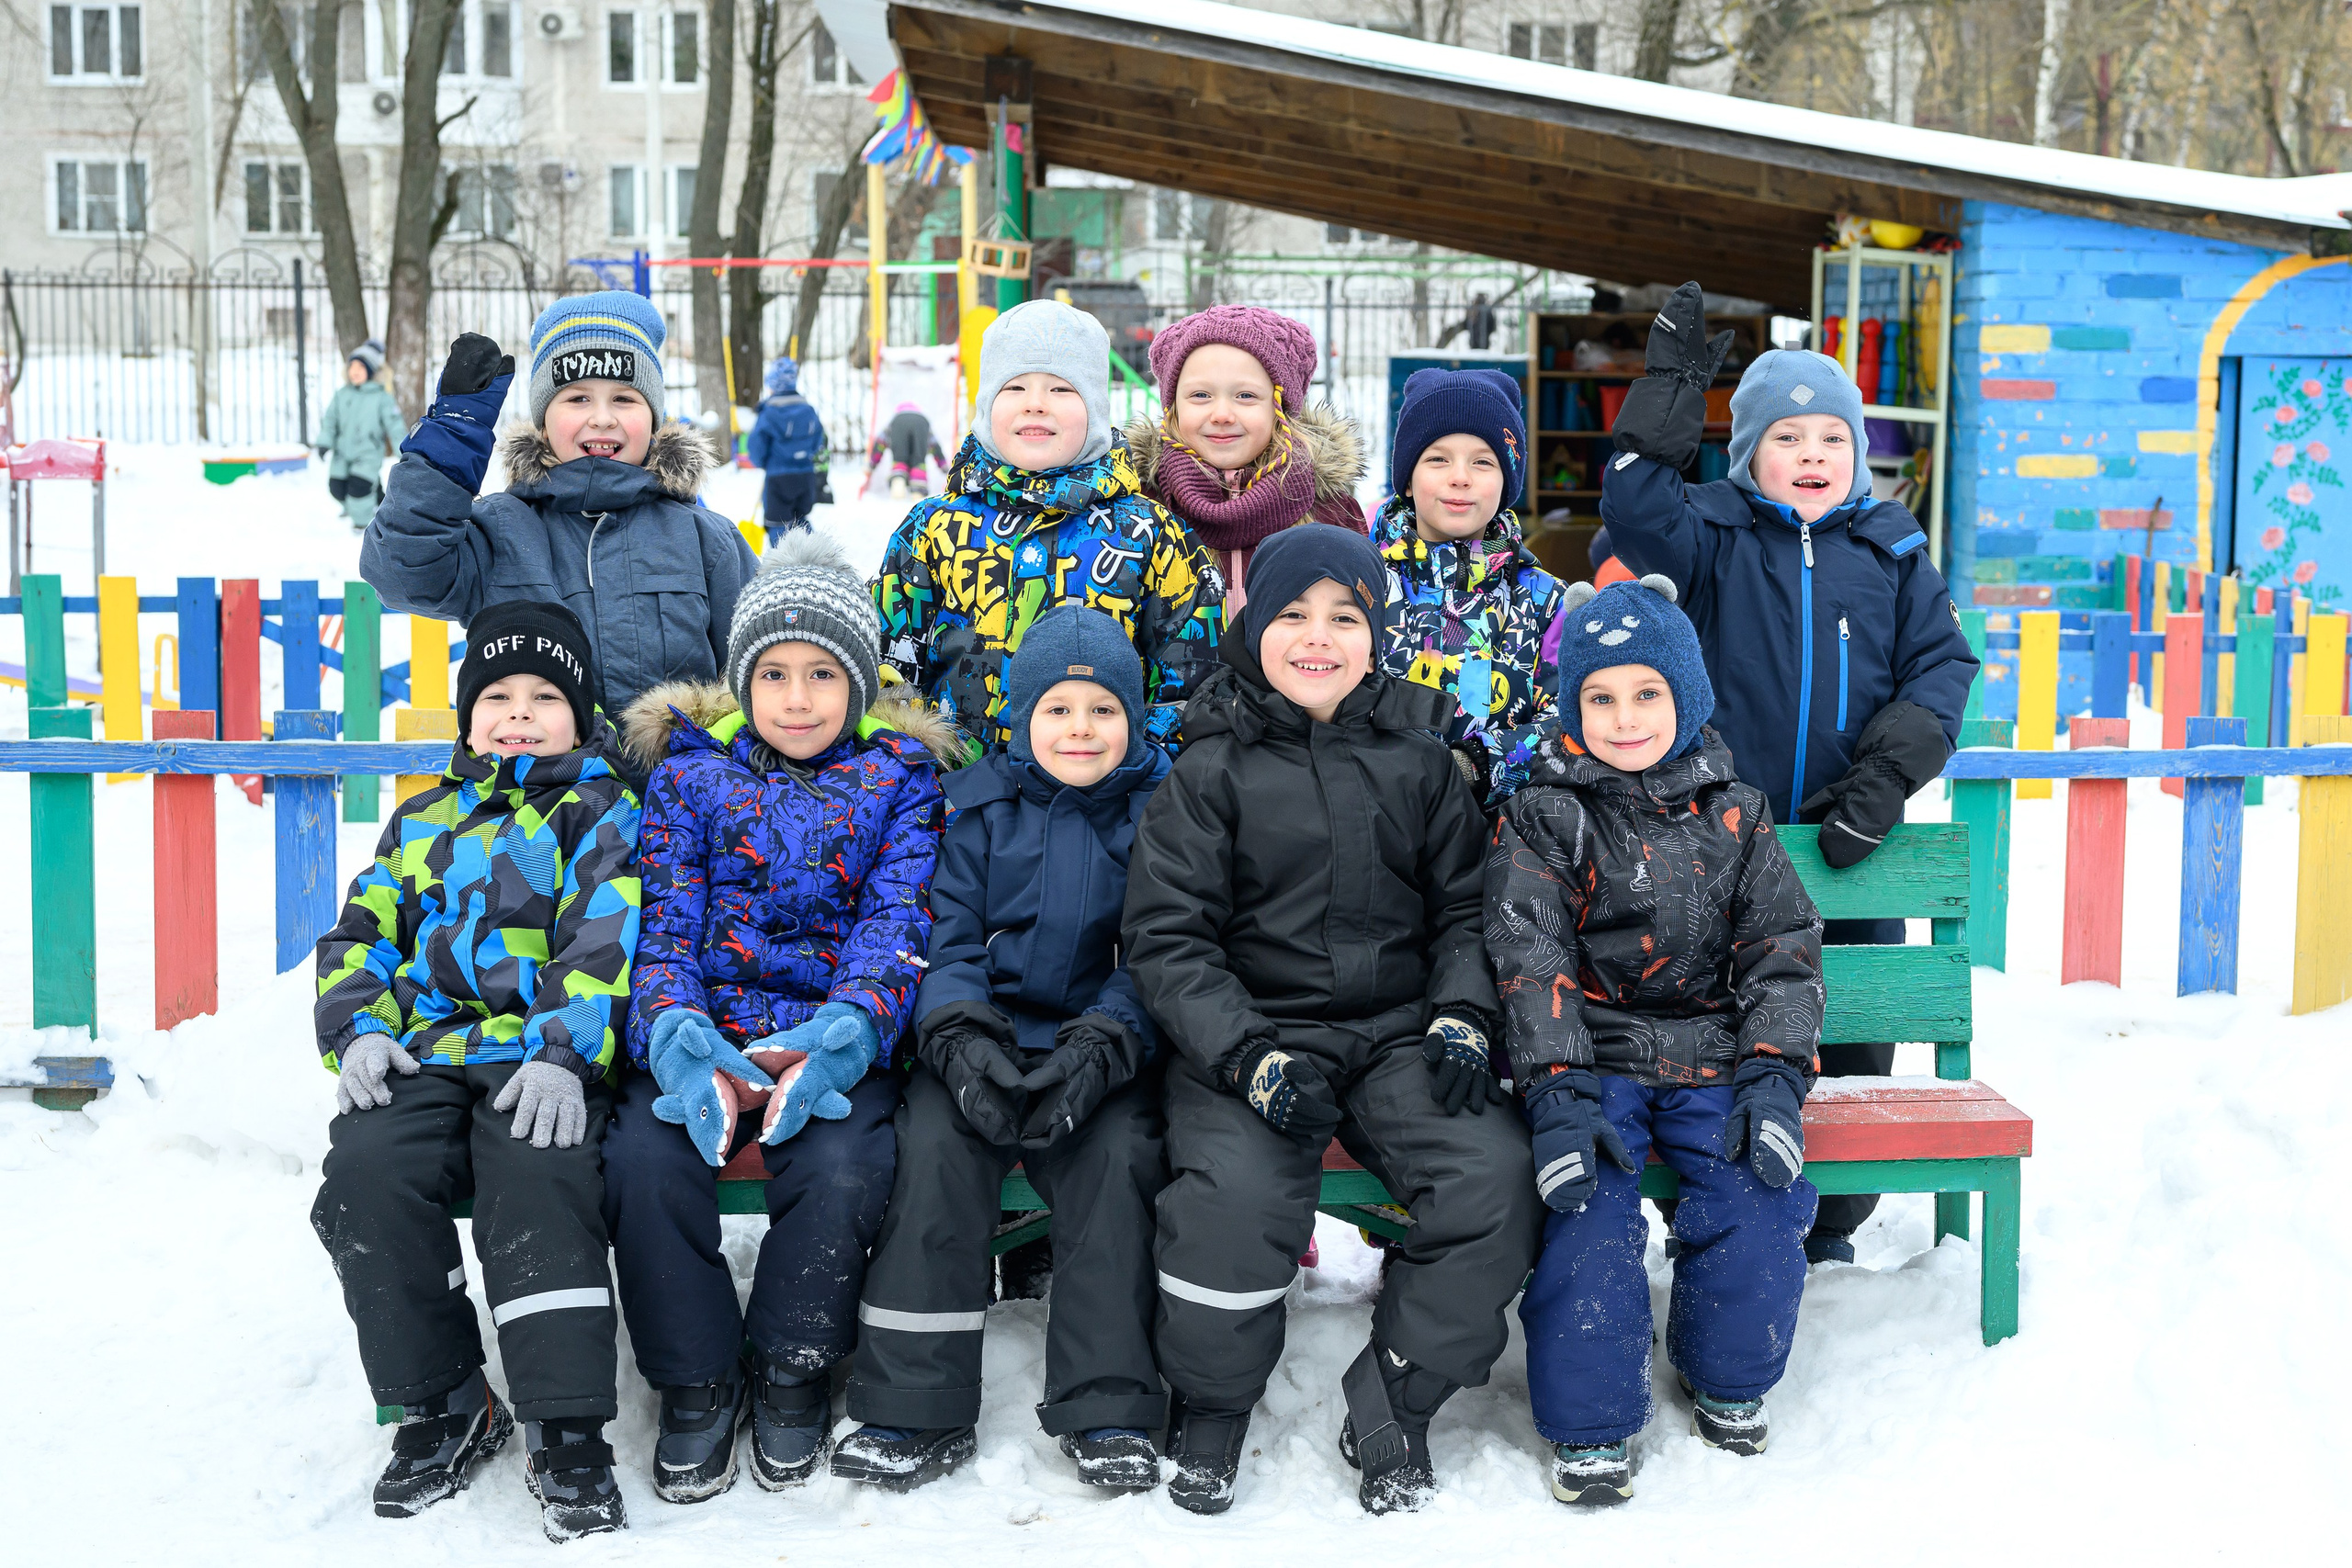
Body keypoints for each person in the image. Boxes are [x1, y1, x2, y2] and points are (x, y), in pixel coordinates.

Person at [1122, 525, 1543, 1517]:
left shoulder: (1423, 761)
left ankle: (1398, 1389)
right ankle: (1214, 1403)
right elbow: (1169, 939)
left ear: (1376, 636)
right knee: (1229, 1198)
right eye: (1293, 616)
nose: (1318, 638)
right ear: (1253, 627)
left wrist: (1461, 1019)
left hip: (1397, 1033)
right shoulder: (1207, 770)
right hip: (1253, 1041)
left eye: (1344, 619)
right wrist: (1247, 1056)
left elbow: (1462, 910)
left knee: (1491, 1173)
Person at [1601, 282, 1977, 1265]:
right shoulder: (1711, 535)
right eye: (1787, 437)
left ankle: (1828, 1231)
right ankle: (1718, 1218)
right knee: (1718, 1042)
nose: (1812, 456)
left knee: (1849, 1042)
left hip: (1847, 852)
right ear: (1748, 455)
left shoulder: (1891, 550)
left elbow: (1941, 667)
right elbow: (1636, 505)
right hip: (1720, 851)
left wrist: (1882, 781)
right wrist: (1671, 393)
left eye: (1832, 439)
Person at [602, 530, 959, 1505]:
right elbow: (665, 922)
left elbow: (896, 922)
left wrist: (845, 1033)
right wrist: (677, 1036)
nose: (796, 700)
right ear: (741, 679)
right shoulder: (688, 775)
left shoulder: (899, 779)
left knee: (846, 1166)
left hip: (832, 1038)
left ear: (857, 682)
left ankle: (794, 1362)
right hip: (706, 1034)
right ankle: (695, 1377)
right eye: (773, 675)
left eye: (820, 676)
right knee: (641, 1161)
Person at [1485, 573, 1825, 1506]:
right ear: (1571, 705)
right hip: (1593, 1060)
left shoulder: (1736, 816)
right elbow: (1527, 952)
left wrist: (1771, 1078)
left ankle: (1728, 1371)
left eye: (1647, 694)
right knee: (1582, 1207)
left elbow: (1782, 955)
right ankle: (1592, 1423)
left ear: (1687, 699)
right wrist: (1554, 1091)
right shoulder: (1546, 816)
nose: (1624, 717)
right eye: (1600, 697)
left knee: (1760, 1196)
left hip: (1715, 1059)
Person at [310, 600, 642, 1544]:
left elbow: (605, 940)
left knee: (538, 1180)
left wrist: (563, 1051)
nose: (519, 714)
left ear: (581, 718)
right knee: (367, 1179)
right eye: (496, 695)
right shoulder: (423, 820)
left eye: (545, 697)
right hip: (424, 1052)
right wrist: (360, 1029)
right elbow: (359, 935)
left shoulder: (603, 812)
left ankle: (567, 1423)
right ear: (467, 717)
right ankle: (445, 1402)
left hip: (540, 1061)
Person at [835, 606, 1172, 1495]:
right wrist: (956, 1035)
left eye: (1102, 710)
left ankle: (1109, 1401)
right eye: (1057, 709)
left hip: (1100, 1046)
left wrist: (1105, 1045)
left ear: (1132, 720)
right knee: (936, 1154)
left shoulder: (1160, 816)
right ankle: (914, 1401)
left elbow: (1160, 951)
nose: (1079, 729)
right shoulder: (977, 808)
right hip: (982, 1039)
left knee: (1117, 1164)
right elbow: (943, 937)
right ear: (1021, 718)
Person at [361, 291, 759, 734]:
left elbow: (765, 673)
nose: (603, 418)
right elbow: (401, 573)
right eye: (578, 399)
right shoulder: (499, 530)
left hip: (674, 797)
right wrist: (451, 441)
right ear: (543, 420)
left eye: (625, 399)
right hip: (538, 797)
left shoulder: (706, 540)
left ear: (654, 416)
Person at [872, 299, 1223, 752]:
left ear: (1095, 407)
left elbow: (1191, 677)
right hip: (960, 793)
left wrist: (1140, 764)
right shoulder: (932, 527)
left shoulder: (1149, 533)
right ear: (986, 404)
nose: (1035, 404)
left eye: (1061, 389)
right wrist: (917, 768)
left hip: (1103, 792)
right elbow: (891, 667)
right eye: (1014, 388)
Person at [1373, 367, 1568, 806]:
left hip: (1504, 836)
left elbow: (1571, 719)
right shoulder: (1361, 584)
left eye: (1483, 461)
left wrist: (1478, 764)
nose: (1460, 477)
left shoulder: (1547, 602)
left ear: (1507, 482)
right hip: (1377, 820)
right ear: (1407, 478)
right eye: (1437, 459)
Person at [1124, 303, 1368, 612]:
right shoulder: (1138, 510)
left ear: (1280, 408)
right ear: (1174, 406)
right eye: (1200, 395)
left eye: (1246, 396)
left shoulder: (1331, 512)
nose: (1222, 414)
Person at [315, 337, 405, 530]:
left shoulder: (382, 397)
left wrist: (404, 451)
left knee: (359, 489)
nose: (354, 371)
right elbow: (330, 421)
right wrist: (324, 442)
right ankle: (375, 502)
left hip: (367, 453)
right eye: (352, 367)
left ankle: (362, 523)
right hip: (342, 452)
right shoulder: (342, 394)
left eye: (360, 367)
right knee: (336, 488)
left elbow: (395, 425)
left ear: (371, 371)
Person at [746, 355, 826, 545]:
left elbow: (756, 445)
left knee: (777, 523)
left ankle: (782, 565)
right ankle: (814, 554)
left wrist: (763, 462)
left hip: (778, 478)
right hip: (805, 476)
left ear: (772, 385)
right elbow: (818, 440)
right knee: (800, 520)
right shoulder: (808, 409)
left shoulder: (770, 412)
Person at [867, 400, 948, 501]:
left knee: (900, 458)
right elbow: (934, 445)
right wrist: (943, 465)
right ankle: (918, 490)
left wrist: (872, 464)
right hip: (921, 428)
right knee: (918, 460)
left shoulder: (896, 420)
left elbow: (880, 442)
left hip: (898, 432)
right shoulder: (922, 420)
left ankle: (898, 479)